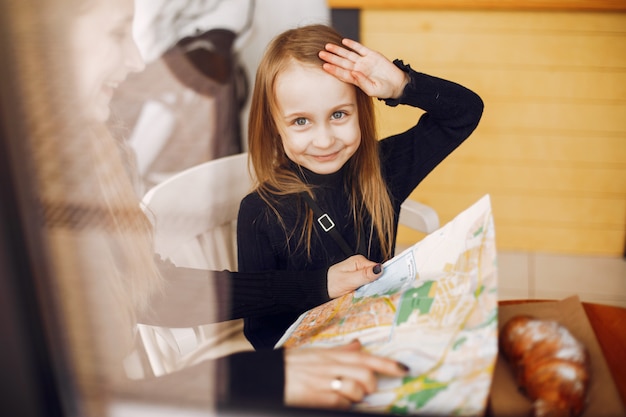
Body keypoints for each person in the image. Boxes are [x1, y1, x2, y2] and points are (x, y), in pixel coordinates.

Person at [12, 0, 408, 412]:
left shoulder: (91, 157)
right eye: (116, 32)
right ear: (39, 44)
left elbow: (148, 290)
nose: (136, 59)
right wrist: (263, 374)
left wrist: (315, 286)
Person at [237, 24, 484, 350]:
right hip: (314, 366)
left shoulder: (385, 169)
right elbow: (261, 331)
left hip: (384, 338)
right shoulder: (259, 212)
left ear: (361, 110)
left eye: (339, 114)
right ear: (273, 125)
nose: (324, 140)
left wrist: (400, 84)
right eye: (301, 121)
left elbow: (465, 112)